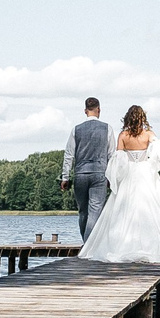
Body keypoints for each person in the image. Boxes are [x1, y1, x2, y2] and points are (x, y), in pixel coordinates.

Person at [78, 104, 160, 284]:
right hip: (146, 173)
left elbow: (118, 161)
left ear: (127, 118)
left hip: (130, 175)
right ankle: (149, 246)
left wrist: (115, 180)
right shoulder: (148, 135)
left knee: (123, 210)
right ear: (142, 118)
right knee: (153, 209)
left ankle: (123, 246)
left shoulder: (123, 136)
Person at [60, 96, 111, 240]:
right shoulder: (107, 128)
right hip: (99, 174)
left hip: (80, 174)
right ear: (99, 109)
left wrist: (65, 177)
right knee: (95, 211)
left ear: (85, 111)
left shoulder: (76, 130)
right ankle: (88, 247)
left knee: (83, 212)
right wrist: (111, 177)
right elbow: (112, 155)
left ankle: (86, 243)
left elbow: (69, 155)